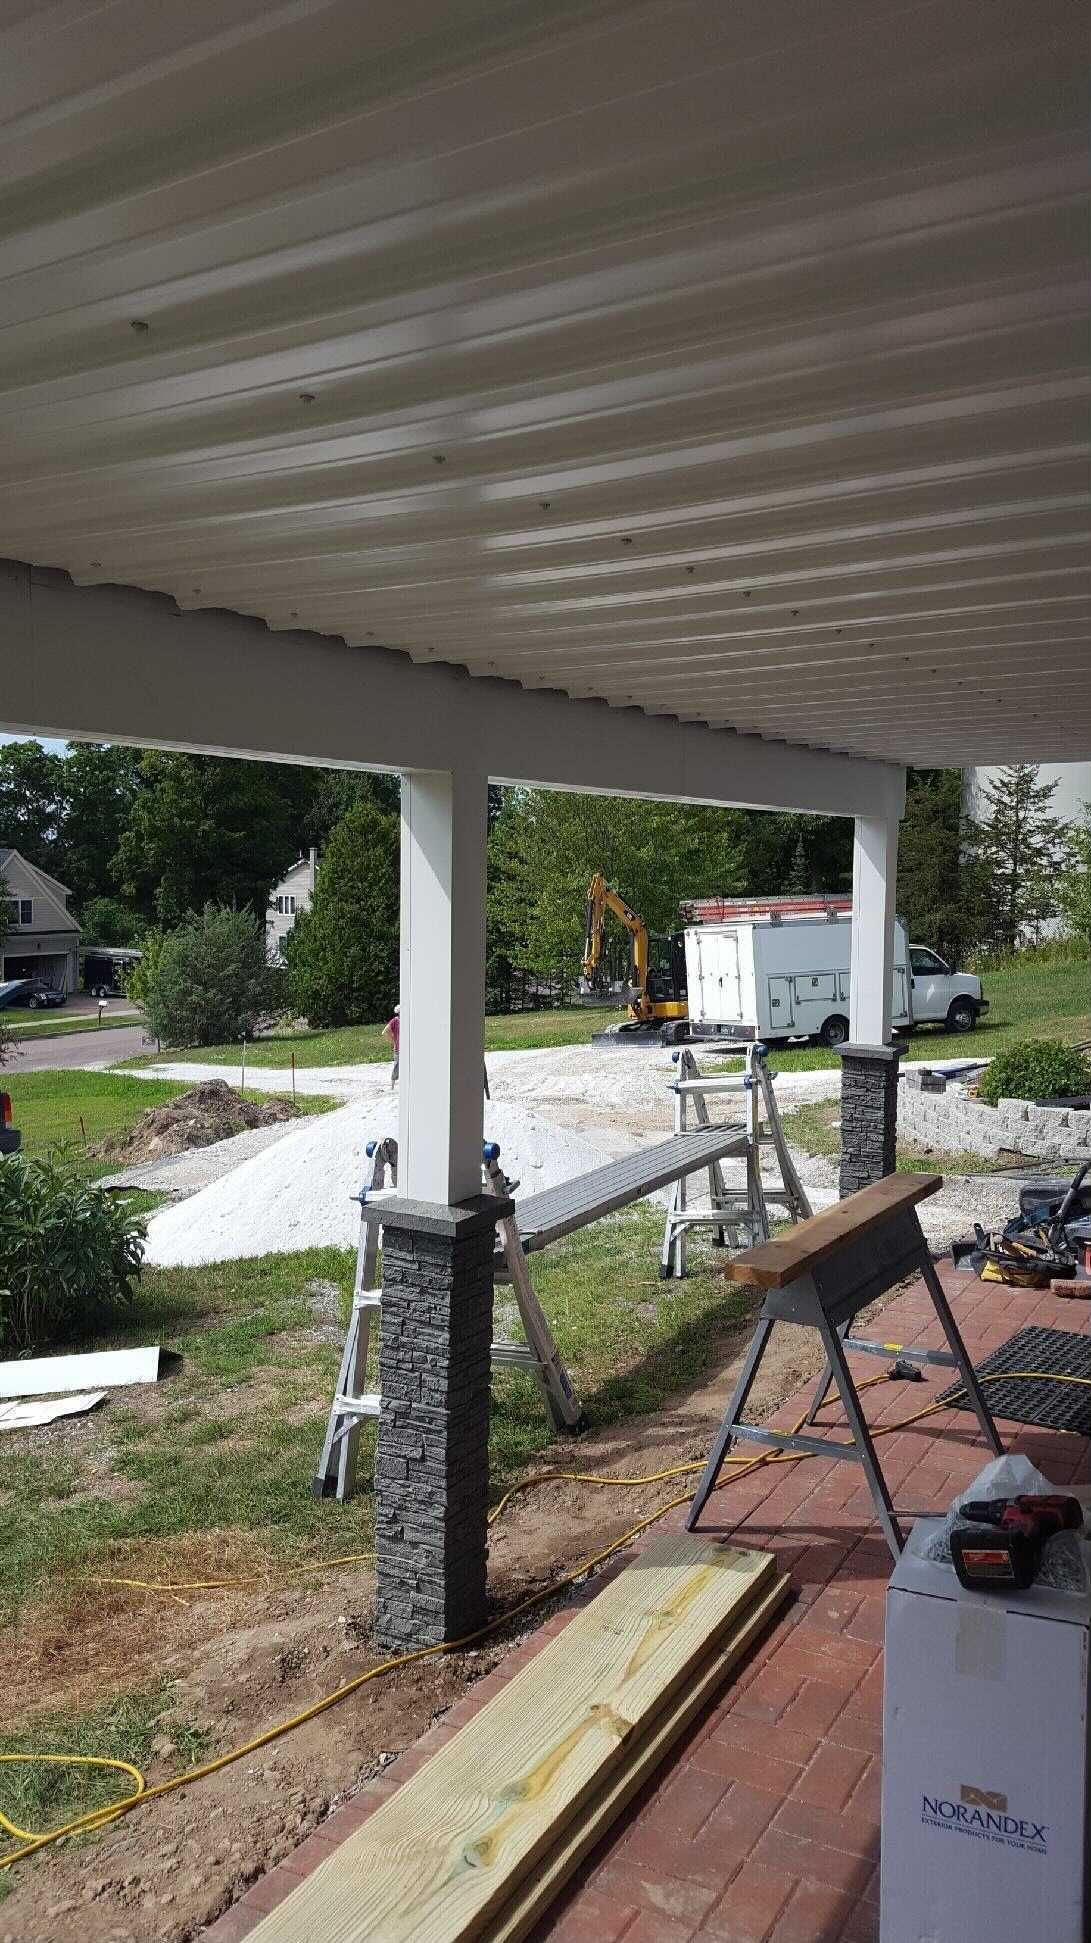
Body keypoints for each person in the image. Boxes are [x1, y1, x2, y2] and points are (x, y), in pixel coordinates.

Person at [382, 1003, 400, 1087]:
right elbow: (384, 1032)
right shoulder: (395, 1020)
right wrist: (393, 1042)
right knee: (397, 1066)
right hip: (398, 1048)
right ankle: (392, 1085)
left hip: (405, 1048)